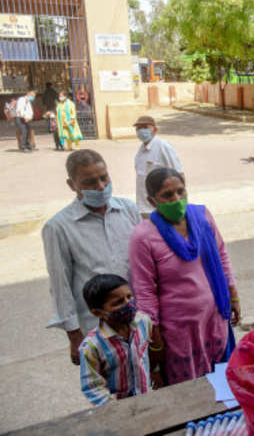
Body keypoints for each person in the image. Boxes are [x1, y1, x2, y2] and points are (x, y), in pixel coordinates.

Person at [129, 168, 240, 385]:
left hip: (215, 319)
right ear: (152, 201)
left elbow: (221, 255)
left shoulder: (202, 217)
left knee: (224, 385)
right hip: (179, 332)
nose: (177, 199)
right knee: (190, 391)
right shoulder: (143, 236)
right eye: (168, 196)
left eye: (181, 192)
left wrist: (233, 294)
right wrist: (155, 338)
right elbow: (144, 290)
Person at [42, 150, 142, 365]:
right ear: (72, 185)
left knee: (145, 379)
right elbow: (60, 284)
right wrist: (74, 335)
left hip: (136, 319)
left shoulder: (129, 210)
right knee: (110, 390)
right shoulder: (59, 227)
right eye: (89, 182)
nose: (100, 186)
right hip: (97, 327)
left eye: (104, 177)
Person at [79, 274, 159, 406]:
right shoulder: (91, 346)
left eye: (129, 297)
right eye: (117, 302)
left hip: (145, 398)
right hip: (116, 408)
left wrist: (155, 371)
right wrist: (117, 409)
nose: (128, 304)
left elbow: (147, 352)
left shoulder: (143, 321)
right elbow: (93, 387)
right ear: (98, 313)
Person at [133, 115, 184, 217]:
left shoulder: (163, 146)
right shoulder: (140, 152)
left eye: (145, 127)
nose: (141, 131)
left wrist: (179, 204)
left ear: (155, 129)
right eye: (138, 128)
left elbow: (179, 175)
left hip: (162, 209)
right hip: (143, 208)